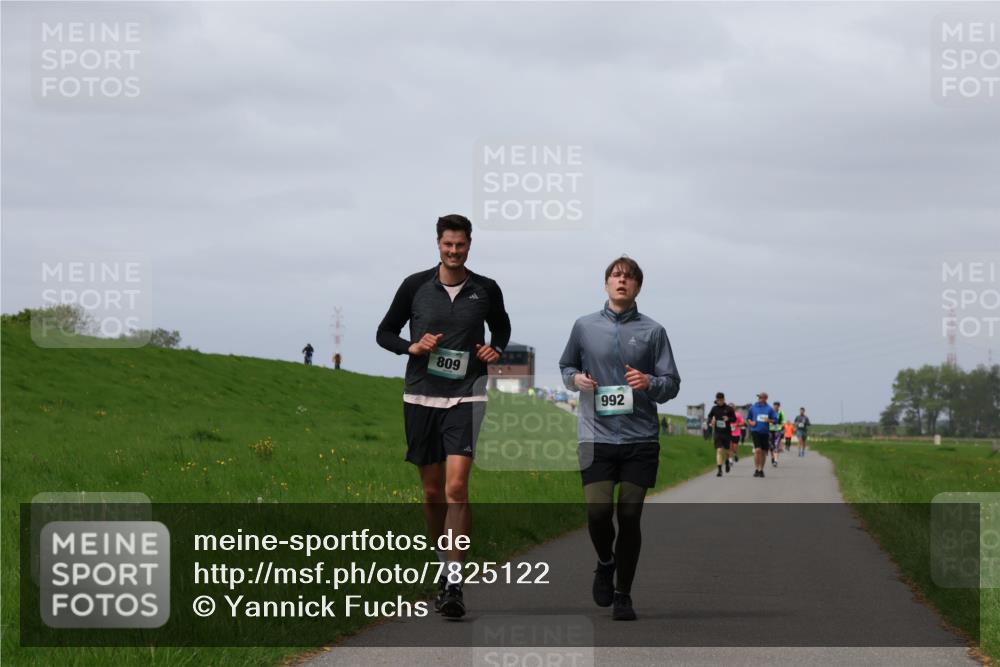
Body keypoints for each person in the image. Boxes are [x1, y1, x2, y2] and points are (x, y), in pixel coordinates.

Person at [376, 214, 511, 619]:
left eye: (461, 245)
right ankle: (442, 562)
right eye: (448, 244)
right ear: (438, 244)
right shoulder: (415, 286)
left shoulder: (485, 289)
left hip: (467, 396)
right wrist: (411, 347)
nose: (454, 251)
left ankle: (455, 579)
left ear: (470, 244)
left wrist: (495, 350)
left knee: (456, 486)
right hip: (420, 397)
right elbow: (384, 332)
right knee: (432, 492)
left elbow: (501, 328)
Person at [559, 255, 680, 621]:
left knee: (629, 516)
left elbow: (671, 383)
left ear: (638, 286)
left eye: (628, 277)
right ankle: (605, 561)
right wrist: (576, 380)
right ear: (606, 284)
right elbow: (566, 366)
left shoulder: (654, 331)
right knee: (597, 513)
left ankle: (624, 594)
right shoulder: (584, 327)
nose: (621, 281)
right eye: (615, 276)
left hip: (640, 438)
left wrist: (650, 383)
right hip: (595, 436)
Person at [747, 392, 778, 478]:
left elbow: (775, 420)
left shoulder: (769, 409)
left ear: (765, 398)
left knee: (764, 452)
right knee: (757, 450)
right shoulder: (753, 408)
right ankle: (757, 469)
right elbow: (748, 418)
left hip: (765, 432)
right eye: (759, 397)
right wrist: (751, 422)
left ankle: (761, 469)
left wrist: (769, 420)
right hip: (755, 431)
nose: (759, 398)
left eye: (761, 397)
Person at [706, 393, 737, 476]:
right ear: (716, 400)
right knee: (719, 450)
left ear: (724, 399)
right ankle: (719, 470)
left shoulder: (729, 409)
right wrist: (710, 422)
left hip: (727, 433)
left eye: (721, 400)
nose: (719, 401)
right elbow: (709, 417)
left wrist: (728, 419)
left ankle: (727, 462)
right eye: (718, 400)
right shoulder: (714, 408)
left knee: (727, 451)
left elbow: (734, 419)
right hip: (718, 433)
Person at [769, 400, 785, 467]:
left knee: (776, 445)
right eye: (775, 405)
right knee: (771, 446)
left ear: (779, 406)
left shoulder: (781, 413)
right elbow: (767, 420)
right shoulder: (770, 412)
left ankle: (776, 461)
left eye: (777, 405)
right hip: (770, 430)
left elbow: (783, 422)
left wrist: (782, 429)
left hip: (778, 430)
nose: (776, 406)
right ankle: (772, 457)